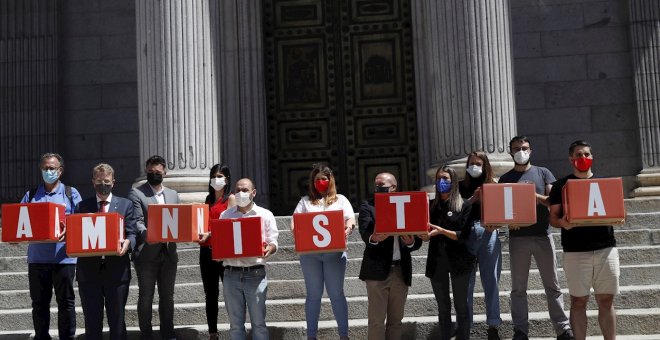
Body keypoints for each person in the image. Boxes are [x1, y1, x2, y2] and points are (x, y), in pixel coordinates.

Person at [499, 136, 574, 340]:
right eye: (516, 149)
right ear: (510, 152)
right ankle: (521, 330)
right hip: (518, 238)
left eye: (524, 148)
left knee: (553, 285)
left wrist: (532, 195)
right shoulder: (505, 179)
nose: (520, 151)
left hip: (543, 235)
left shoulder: (543, 173)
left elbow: (552, 201)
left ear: (530, 151)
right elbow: (502, 210)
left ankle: (562, 329)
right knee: (518, 288)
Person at [549, 140, 619, 340]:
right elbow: (553, 218)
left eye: (587, 154)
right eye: (579, 155)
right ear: (571, 159)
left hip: (606, 248)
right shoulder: (560, 186)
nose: (583, 158)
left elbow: (618, 212)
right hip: (576, 251)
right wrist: (563, 223)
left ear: (592, 157)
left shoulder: (604, 184)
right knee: (578, 301)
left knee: (606, 300)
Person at [21, 152, 82, 340]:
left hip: (64, 258)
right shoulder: (31, 195)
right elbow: (21, 222)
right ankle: (41, 336)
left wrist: (69, 231)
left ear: (60, 170)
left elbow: (80, 222)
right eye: (45, 168)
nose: (48, 171)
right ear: (41, 169)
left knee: (66, 303)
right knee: (39, 303)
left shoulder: (71, 193)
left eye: (52, 168)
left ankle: (67, 337)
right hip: (38, 258)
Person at [75, 163, 138, 340]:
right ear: (93, 182)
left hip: (117, 272)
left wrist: (128, 243)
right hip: (89, 272)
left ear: (113, 182)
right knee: (92, 321)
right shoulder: (82, 206)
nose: (103, 184)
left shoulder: (126, 205)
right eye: (100, 180)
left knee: (117, 321)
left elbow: (132, 232)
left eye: (107, 181)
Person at [292, 164, 355, 340]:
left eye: (324, 178)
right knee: (313, 294)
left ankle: (344, 335)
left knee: (336, 293)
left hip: (334, 253)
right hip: (310, 254)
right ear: (313, 181)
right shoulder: (305, 201)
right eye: (318, 178)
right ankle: (311, 336)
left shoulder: (340, 200)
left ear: (330, 180)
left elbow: (350, 218)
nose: (321, 181)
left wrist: (348, 228)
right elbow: (294, 222)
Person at [358, 172, 423, 340]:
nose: (378, 188)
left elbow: (417, 241)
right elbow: (365, 233)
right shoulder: (368, 206)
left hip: (400, 271)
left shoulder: (406, 206)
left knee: (396, 321)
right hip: (377, 272)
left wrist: (410, 242)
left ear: (394, 188)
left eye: (383, 186)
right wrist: (374, 238)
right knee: (376, 321)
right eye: (376, 185)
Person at [128, 155, 180, 340]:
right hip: (147, 253)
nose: (154, 174)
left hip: (169, 253)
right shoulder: (137, 193)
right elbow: (137, 221)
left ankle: (168, 332)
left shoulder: (173, 195)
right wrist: (146, 235)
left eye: (157, 171)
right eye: (150, 171)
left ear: (164, 171)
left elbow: (178, 221)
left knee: (168, 297)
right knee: (146, 296)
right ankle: (146, 334)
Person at [220, 178, 278, 340]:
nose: (240, 193)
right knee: (235, 326)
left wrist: (269, 249)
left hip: (255, 274)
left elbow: (273, 241)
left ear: (253, 193)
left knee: (258, 324)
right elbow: (222, 241)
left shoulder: (265, 214)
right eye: (237, 190)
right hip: (231, 275)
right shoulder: (226, 215)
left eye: (245, 190)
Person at [422, 165, 475, 340]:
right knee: (443, 306)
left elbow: (464, 235)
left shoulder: (465, 205)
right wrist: (424, 236)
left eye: (445, 178)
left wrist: (441, 231)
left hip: (460, 261)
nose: (441, 182)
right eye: (438, 178)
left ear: (453, 182)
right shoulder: (431, 206)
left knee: (461, 305)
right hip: (438, 261)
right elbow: (426, 233)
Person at [459, 150, 503, 340]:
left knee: (491, 281)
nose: (474, 166)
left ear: (485, 166)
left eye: (478, 163)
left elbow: (503, 210)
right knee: (466, 285)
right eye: (471, 163)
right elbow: (455, 212)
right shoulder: (459, 186)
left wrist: (497, 225)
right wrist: (472, 200)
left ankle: (493, 326)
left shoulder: (493, 185)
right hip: (466, 234)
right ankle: (465, 328)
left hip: (488, 232)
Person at [198, 164, 236, 340]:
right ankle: (213, 332)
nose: (217, 179)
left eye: (220, 176)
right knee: (210, 294)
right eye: (214, 176)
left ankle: (236, 328)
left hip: (224, 251)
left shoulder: (231, 199)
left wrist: (211, 233)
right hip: (206, 252)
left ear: (227, 179)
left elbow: (230, 226)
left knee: (230, 292)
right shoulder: (208, 199)